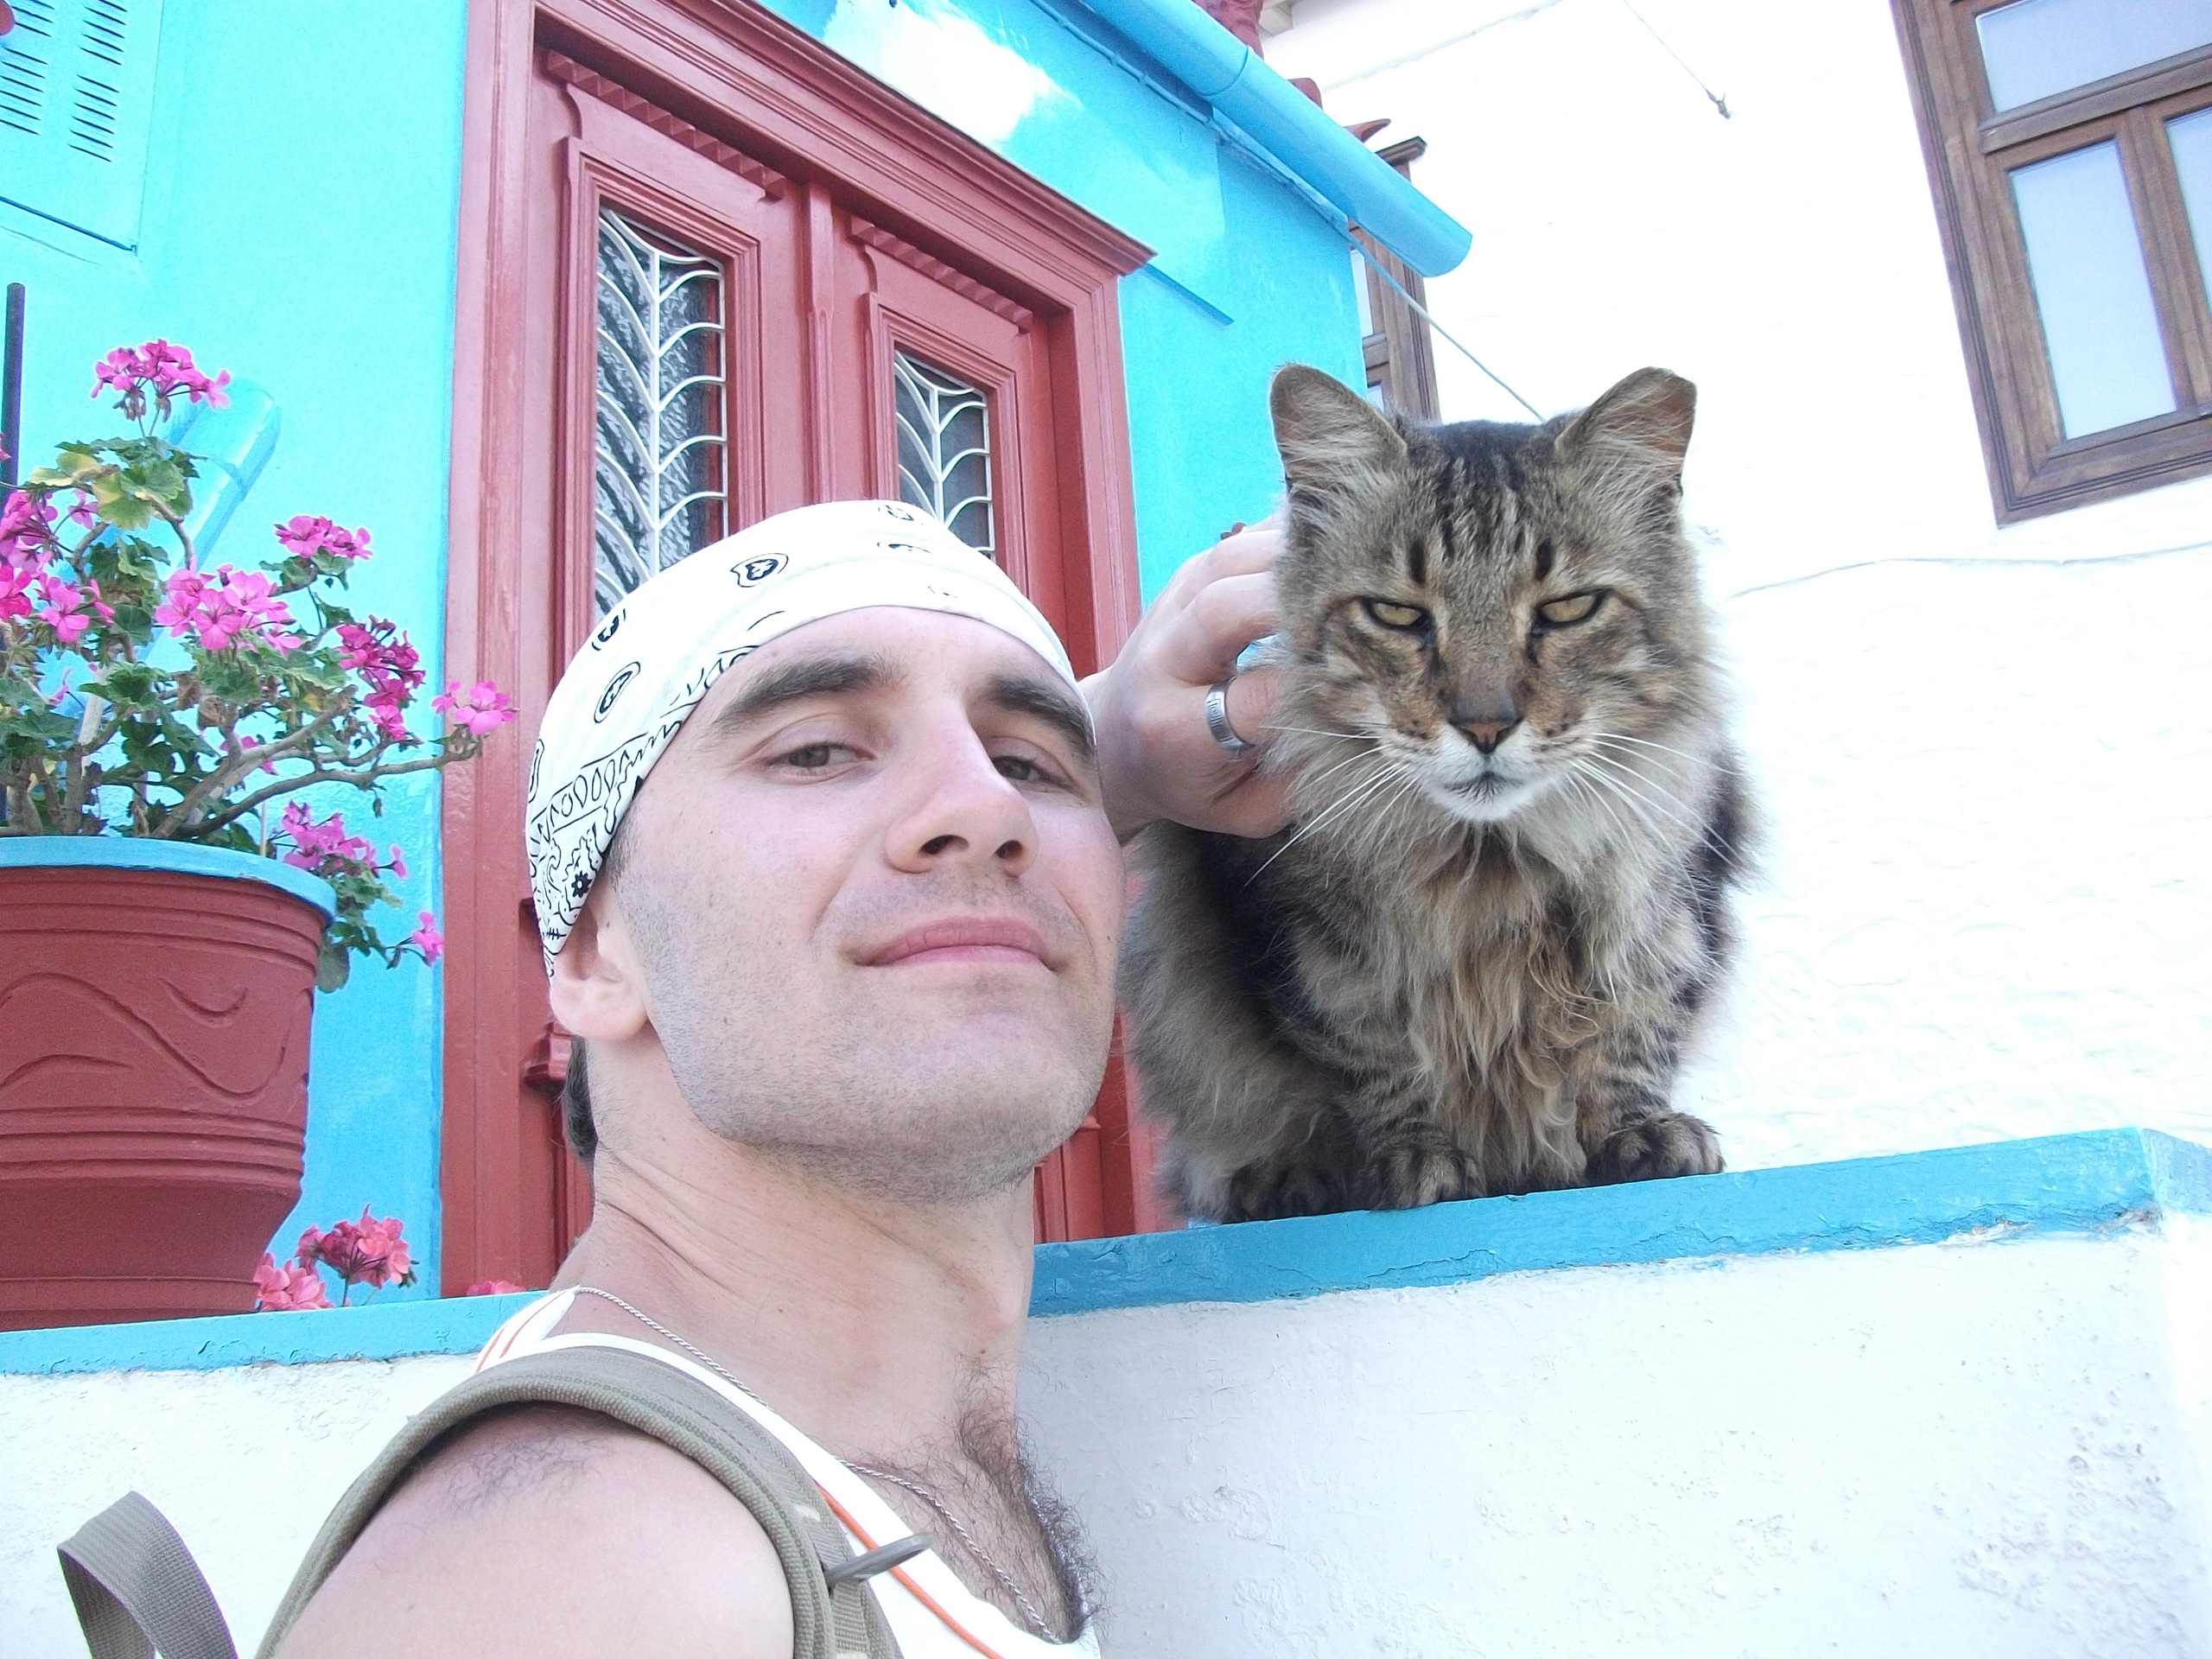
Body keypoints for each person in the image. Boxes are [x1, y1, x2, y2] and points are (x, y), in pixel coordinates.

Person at [270, 500, 1288, 1659]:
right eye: (814, 751)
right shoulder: (599, 1574)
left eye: (1030, 763)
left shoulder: (775, 1478)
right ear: (596, 952)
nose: (989, 808)